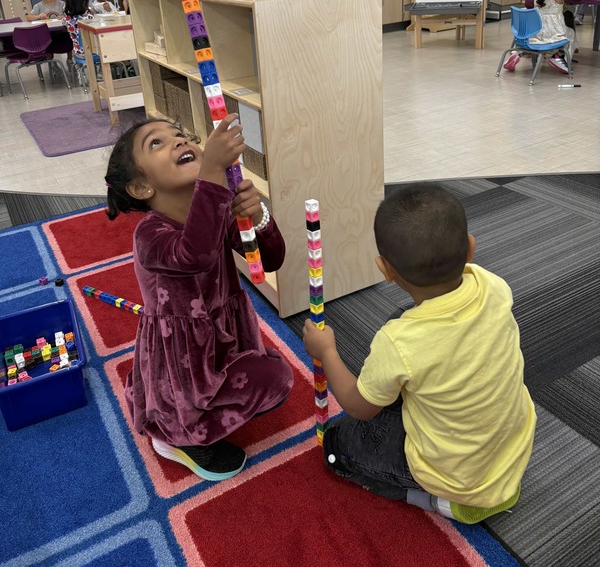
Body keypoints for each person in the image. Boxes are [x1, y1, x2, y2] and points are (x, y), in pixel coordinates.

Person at [303, 183, 536, 524]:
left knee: (338, 446)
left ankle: (441, 502)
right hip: (511, 443)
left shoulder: (399, 342)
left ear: (385, 270)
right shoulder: (494, 286)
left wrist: (326, 351)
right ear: (471, 248)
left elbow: (359, 407)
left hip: (459, 477)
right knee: (404, 350)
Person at [105, 114, 294, 481]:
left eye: (180, 135)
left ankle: (185, 409)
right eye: (156, 143)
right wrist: (211, 175)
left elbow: (271, 260)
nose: (178, 141)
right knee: (267, 380)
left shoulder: (215, 208)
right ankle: (176, 437)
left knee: (275, 379)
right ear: (142, 188)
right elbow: (195, 254)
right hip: (184, 353)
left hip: (222, 334)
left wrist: (258, 217)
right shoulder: (150, 233)